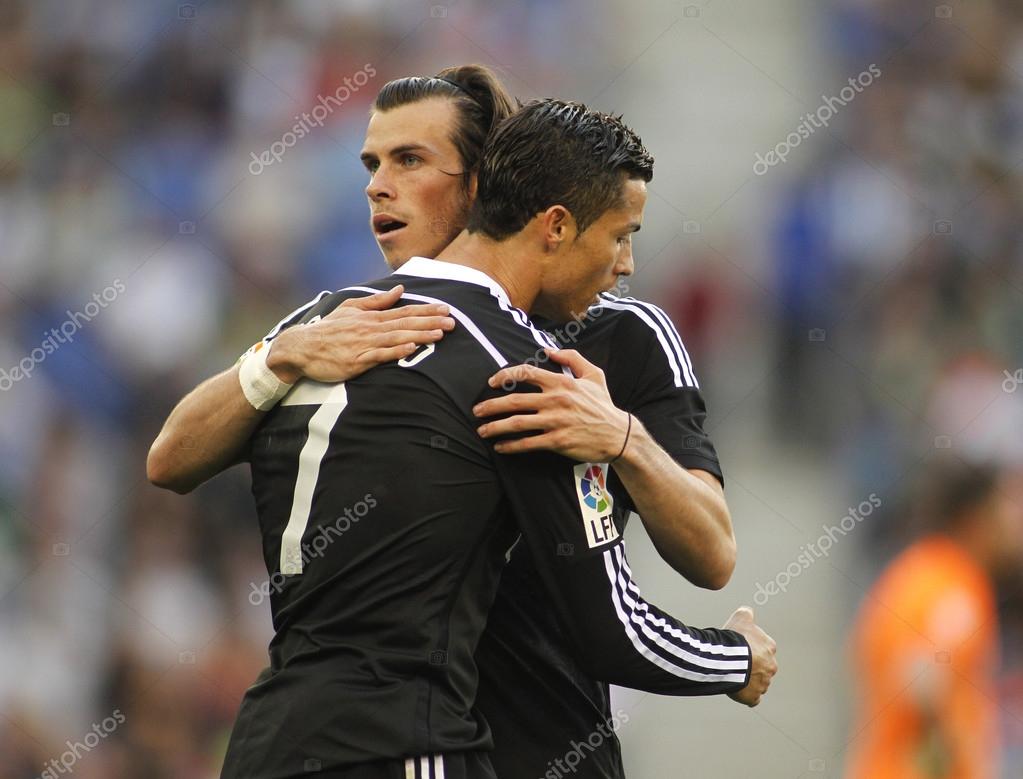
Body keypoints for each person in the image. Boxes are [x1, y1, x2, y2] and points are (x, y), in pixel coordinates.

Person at [148, 67, 776, 778]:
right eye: (373, 163)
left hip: (512, 739)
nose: (377, 185)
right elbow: (170, 457)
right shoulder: (349, 328)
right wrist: (274, 359)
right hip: (415, 742)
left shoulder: (619, 335)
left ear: (485, 184)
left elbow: (712, 553)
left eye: (409, 160)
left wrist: (626, 440)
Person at [845, 459, 1023, 779]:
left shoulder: (919, 570)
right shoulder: (954, 585)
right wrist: (960, 756)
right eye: (1012, 503)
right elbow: (921, 678)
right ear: (978, 517)